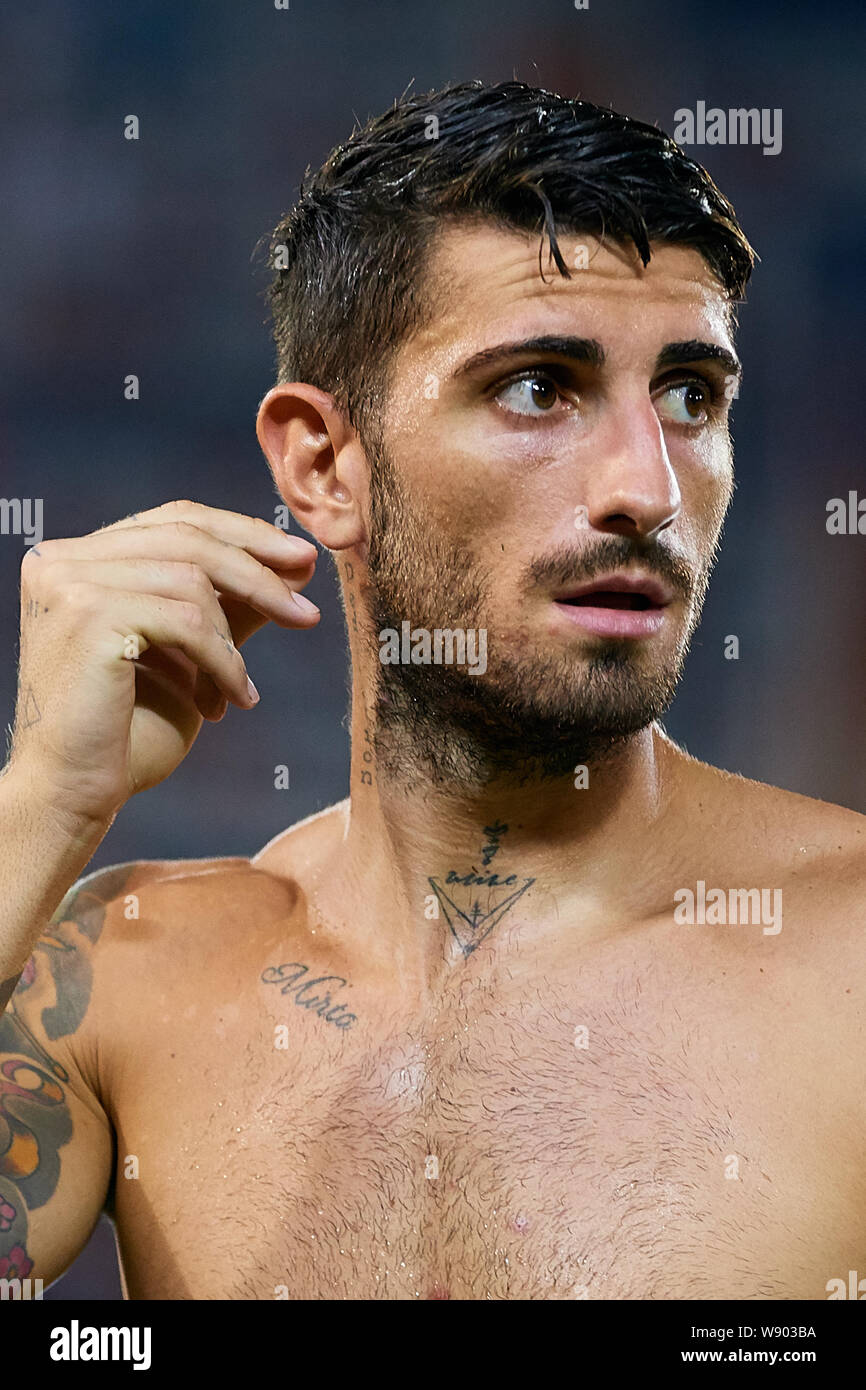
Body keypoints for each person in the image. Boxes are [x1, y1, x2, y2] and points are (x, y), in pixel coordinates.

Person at [1, 79, 863, 1302]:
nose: (647, 488)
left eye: (690, 396)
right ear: (323, 462)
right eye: (538, 387)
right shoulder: (121, 975)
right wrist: (39, 801)